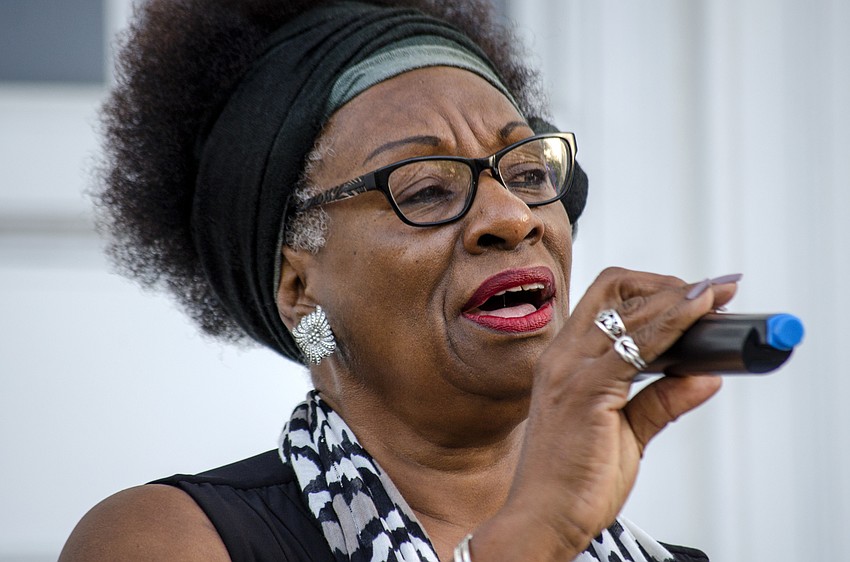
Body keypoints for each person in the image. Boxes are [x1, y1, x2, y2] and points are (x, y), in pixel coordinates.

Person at [60, 1, 739, 560]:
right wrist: (534, 536)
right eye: (427, 189)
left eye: (529, 173)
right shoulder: (166, 539)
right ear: (298, 289)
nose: (511, 216)